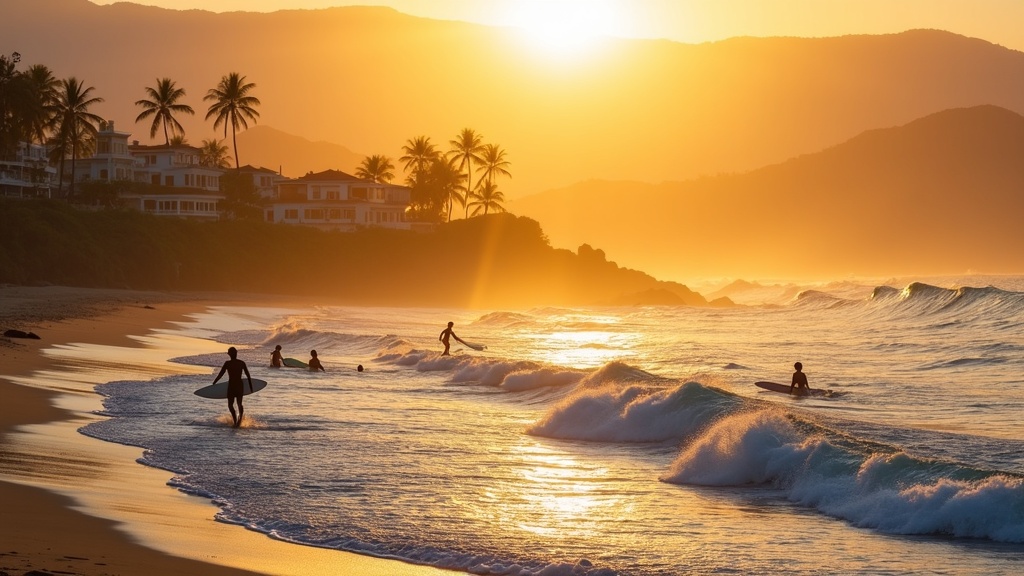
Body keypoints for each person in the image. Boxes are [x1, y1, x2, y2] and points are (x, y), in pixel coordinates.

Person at [212, 347, 253, 427]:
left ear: (229, 354)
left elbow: (221, 374)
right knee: (239, 403)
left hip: (232, 386)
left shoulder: (227, 363)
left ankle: (235, 421)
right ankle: (239, 420)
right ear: (236, 353)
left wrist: (214, 383)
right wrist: (251, 387)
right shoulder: (241, 363)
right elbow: (248, 375)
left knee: (230, 405)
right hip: (239, 385)